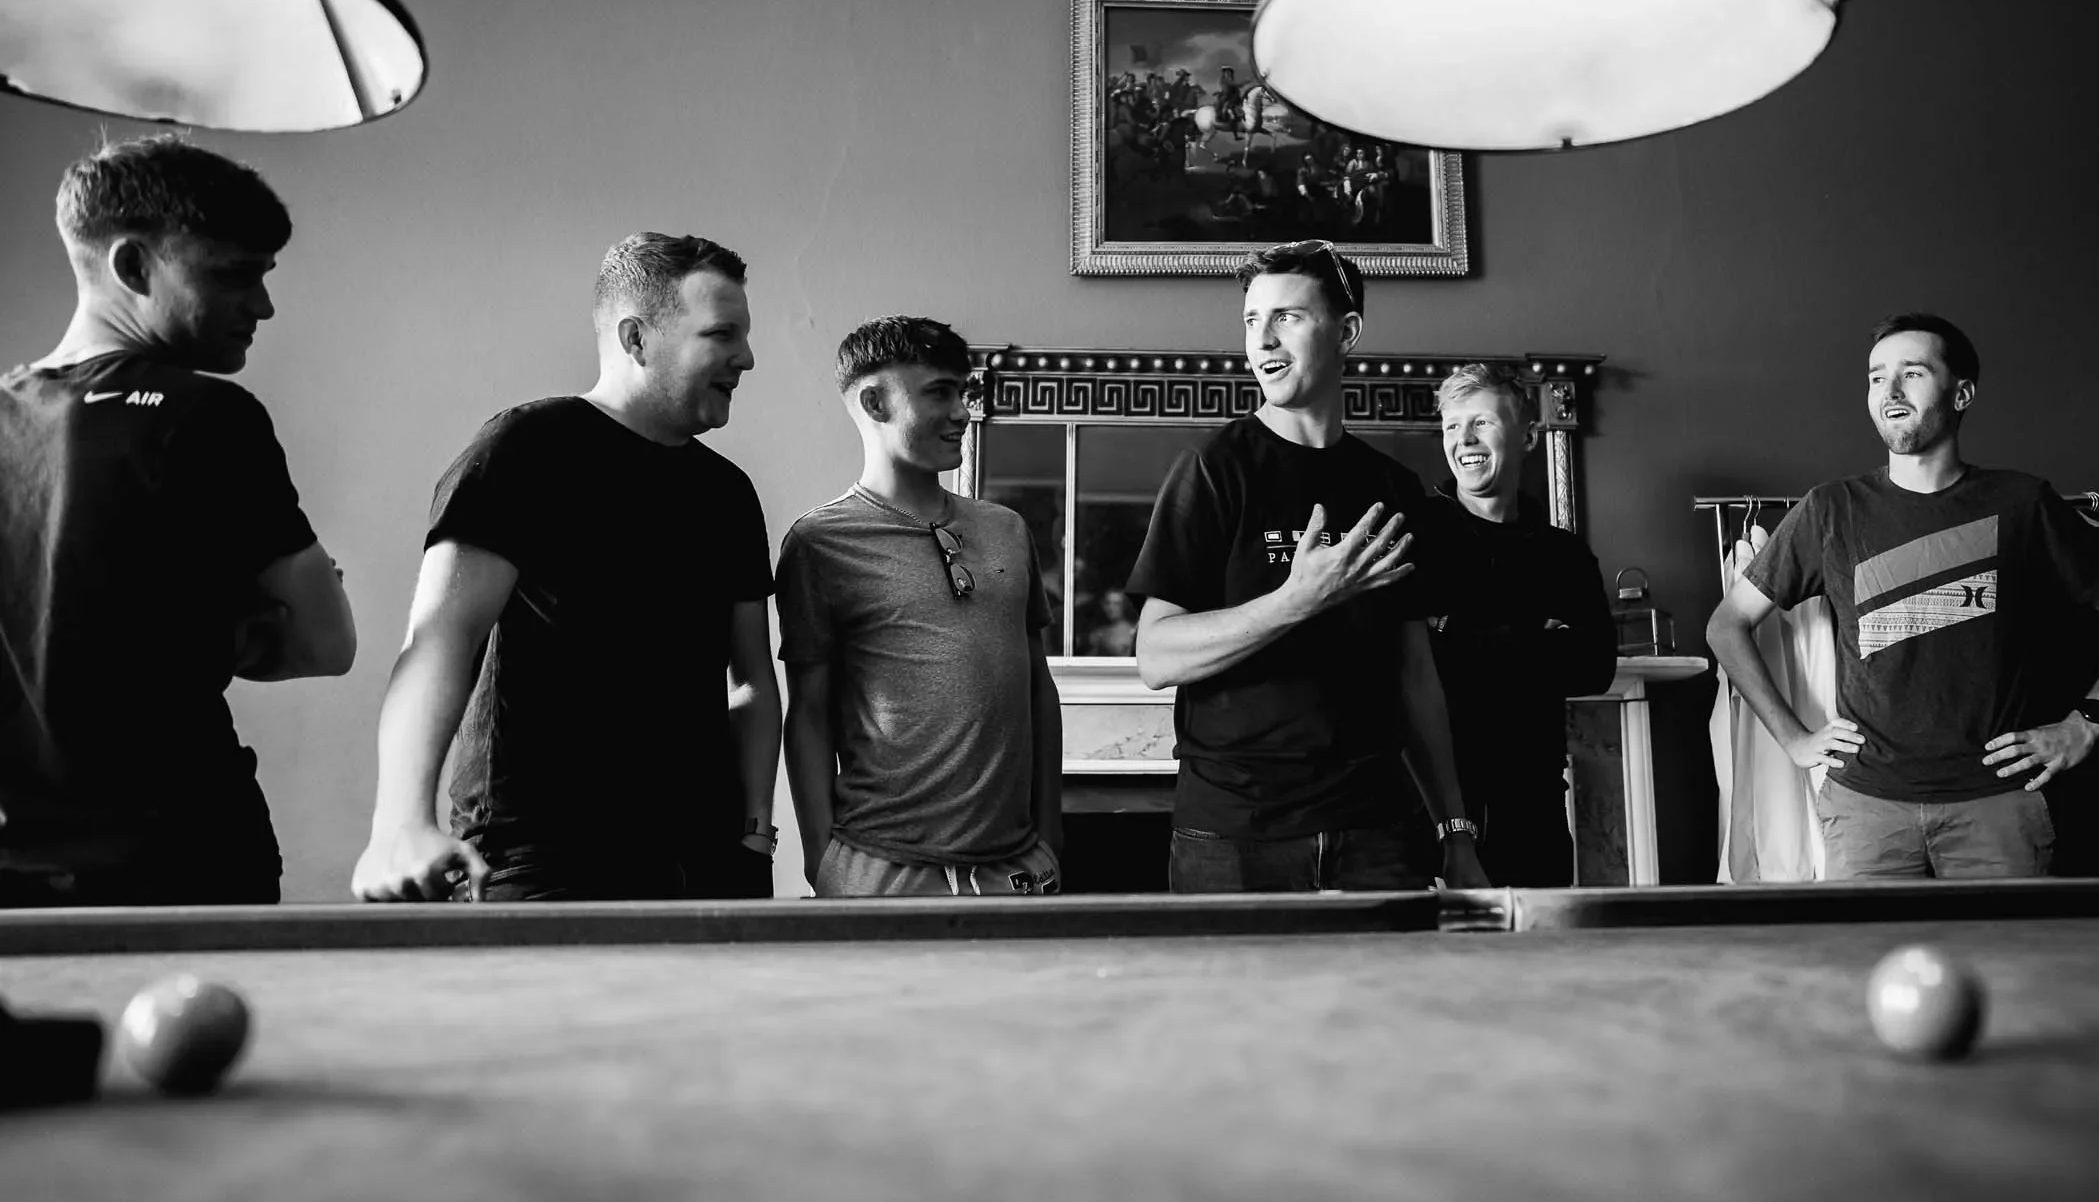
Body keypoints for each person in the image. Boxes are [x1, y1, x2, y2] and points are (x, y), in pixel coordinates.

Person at [351, 233, 779, 902]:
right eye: (722, 333)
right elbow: (442, 637)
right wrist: (399, 824)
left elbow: (750, 677)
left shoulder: (728, 491)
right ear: (637, 339)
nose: (746, 357)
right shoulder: (524, 448)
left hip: (703, 861)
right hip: (541, 859)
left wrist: (755, 836)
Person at [1, 138, 355, 906]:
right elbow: (327, 641)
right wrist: (222, 626)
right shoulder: (207, 417)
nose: (262, 305)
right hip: (182, 857)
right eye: (235, 275)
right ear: (132, 267)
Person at [1705, 314, 2099, 880]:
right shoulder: (1831, 510)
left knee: (2006, 969)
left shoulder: (2024, 504)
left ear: (1962, 392)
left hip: (1997, 809)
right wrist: (1794, 740)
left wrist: (2085, 724)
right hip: (1866, 812)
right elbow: (1726, 626)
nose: (1889, 392)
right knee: (1870, 969)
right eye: (1876, 378)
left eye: (1912, 373)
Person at [1128, 239, 1489, 893]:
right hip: (1232, 835)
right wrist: (1298, 598)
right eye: (1250, 321)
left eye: (1286, 317)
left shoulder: (1395, 489)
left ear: (1346, 331)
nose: (1262, 339)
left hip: (1379, 830)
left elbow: (1416, 675)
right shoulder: (1212, 471)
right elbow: (1156, 654)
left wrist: (1455, 830)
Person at [775, 316, 1063, 897]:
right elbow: (808, 712)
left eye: (964, 392)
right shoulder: (819, 542)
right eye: (939, 392)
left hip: (1018, 869)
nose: (961, 411)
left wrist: (1051, 836)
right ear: (875, 401)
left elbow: (1038, 686)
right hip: (880, 871)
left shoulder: (1007, 528)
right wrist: (819, 858)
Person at [1422, 363, 1616, 886]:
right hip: (1434, 814)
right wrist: (1537, 636)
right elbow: (1415, 666)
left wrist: (1456, 631)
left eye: (1481, 423)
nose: (1463, 440)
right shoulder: (1417, 539)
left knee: (1537, 962)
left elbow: (1595, 667)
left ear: (1527, 435)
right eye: (1451, 426)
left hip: (1536, 808)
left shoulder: (1565, 555)